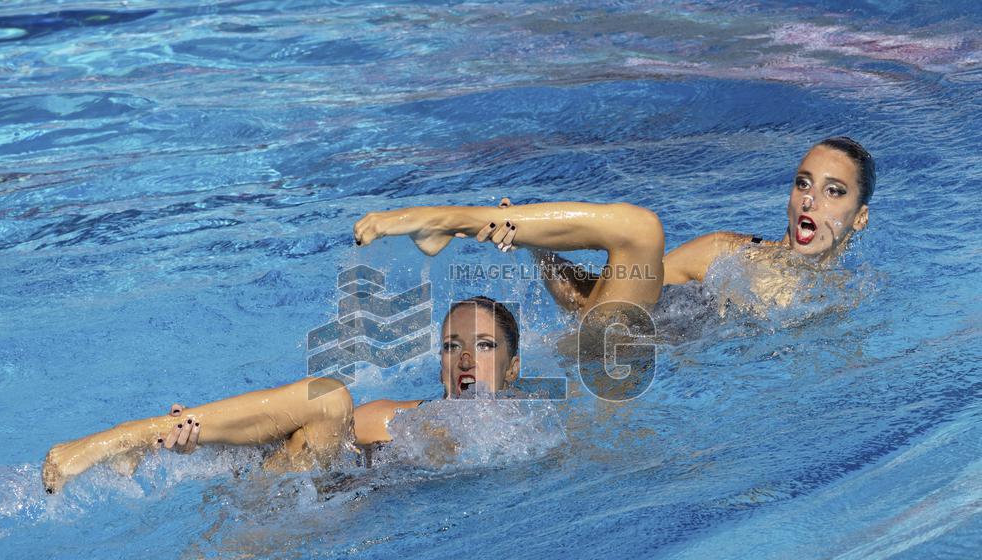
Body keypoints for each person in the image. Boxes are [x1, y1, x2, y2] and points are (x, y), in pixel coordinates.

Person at [42, 297, 521, 494]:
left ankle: (142, 439)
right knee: (330, 395)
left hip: (314, 525)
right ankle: (136, 437)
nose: (463, 360)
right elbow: (292, 444)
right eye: (450, 346)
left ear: (512, 368)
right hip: (291, 501)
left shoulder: (527, 434)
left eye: (483, 346)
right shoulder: (393, 415)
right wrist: (205, 439)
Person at [352, 136, 875, 313]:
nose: (811, 201)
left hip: (627, 366)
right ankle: (451, 220)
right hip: (618, 339)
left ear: (859, 218)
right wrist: (542, 254)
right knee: (641, 229)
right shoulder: (727, 251)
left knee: (642, 229)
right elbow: (597, 299)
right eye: (803, 183)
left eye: (834, 192)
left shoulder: (846, 298)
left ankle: (455, 222)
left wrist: (542, 252)